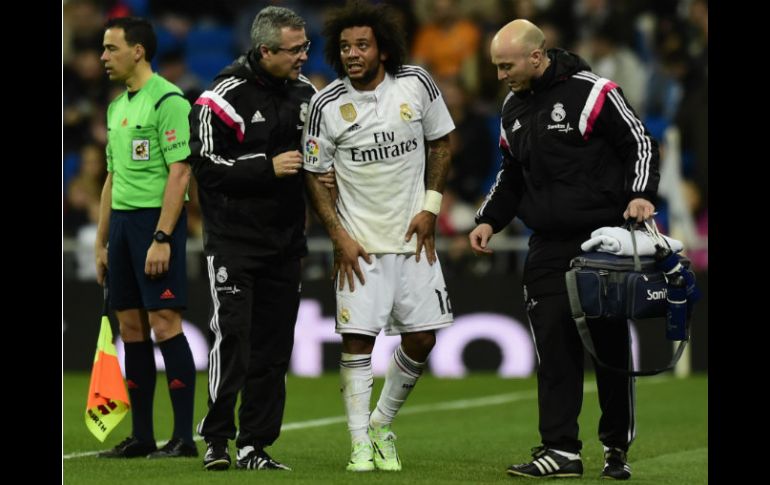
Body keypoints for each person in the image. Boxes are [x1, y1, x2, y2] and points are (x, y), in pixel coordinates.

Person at [469, 19, 659, 480]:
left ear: (537, 56)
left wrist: (640, 192)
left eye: (506, 65)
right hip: (548, 244)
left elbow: (640, 142)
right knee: (553, 347)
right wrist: (488, 220)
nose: (500, 76)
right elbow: (511, 173)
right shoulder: (513, 107)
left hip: (603, 239)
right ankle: (560, 451)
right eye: (496, 67)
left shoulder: (594, 93)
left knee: (609, 347)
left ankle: (616, 446)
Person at [303, 1, 455, 473]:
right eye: (345, 46)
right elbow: (313, 173)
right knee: (356, 343)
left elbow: (441, 142)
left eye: (362, 45)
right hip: (359, 246)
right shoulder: (324, 105)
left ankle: (381, 423)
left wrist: (430, 208)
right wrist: (338, 235)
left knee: (424, 339)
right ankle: (358, 445)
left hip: (415, 240)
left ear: (383, 50)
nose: (352, 53)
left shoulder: (416, 83)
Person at [188, 6, 330, 472]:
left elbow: (316, 154)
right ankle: (215, 438)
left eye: (305, 47)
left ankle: (254, 446)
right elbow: (205, 170)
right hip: (233, 241)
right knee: (234, 338)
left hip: (285, 242)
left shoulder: (305, 93)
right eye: (294, 50)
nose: (303, 57)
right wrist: (265, 167)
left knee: (273, 349)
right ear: (265, 50)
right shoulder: (220, 99)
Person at [95, 17, 197, 459]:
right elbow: (112, 179)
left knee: (163, 324)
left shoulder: (169, 101)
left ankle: (182, 438)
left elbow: (180, 171)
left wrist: (162, 236)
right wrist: (101, 242)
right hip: (120, 227)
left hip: (155, 225)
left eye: (111, 48)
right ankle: (141, 436)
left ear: (137, 51)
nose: (103, 57)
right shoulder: (116, 108)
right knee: (131, 327)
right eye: (102, 49)